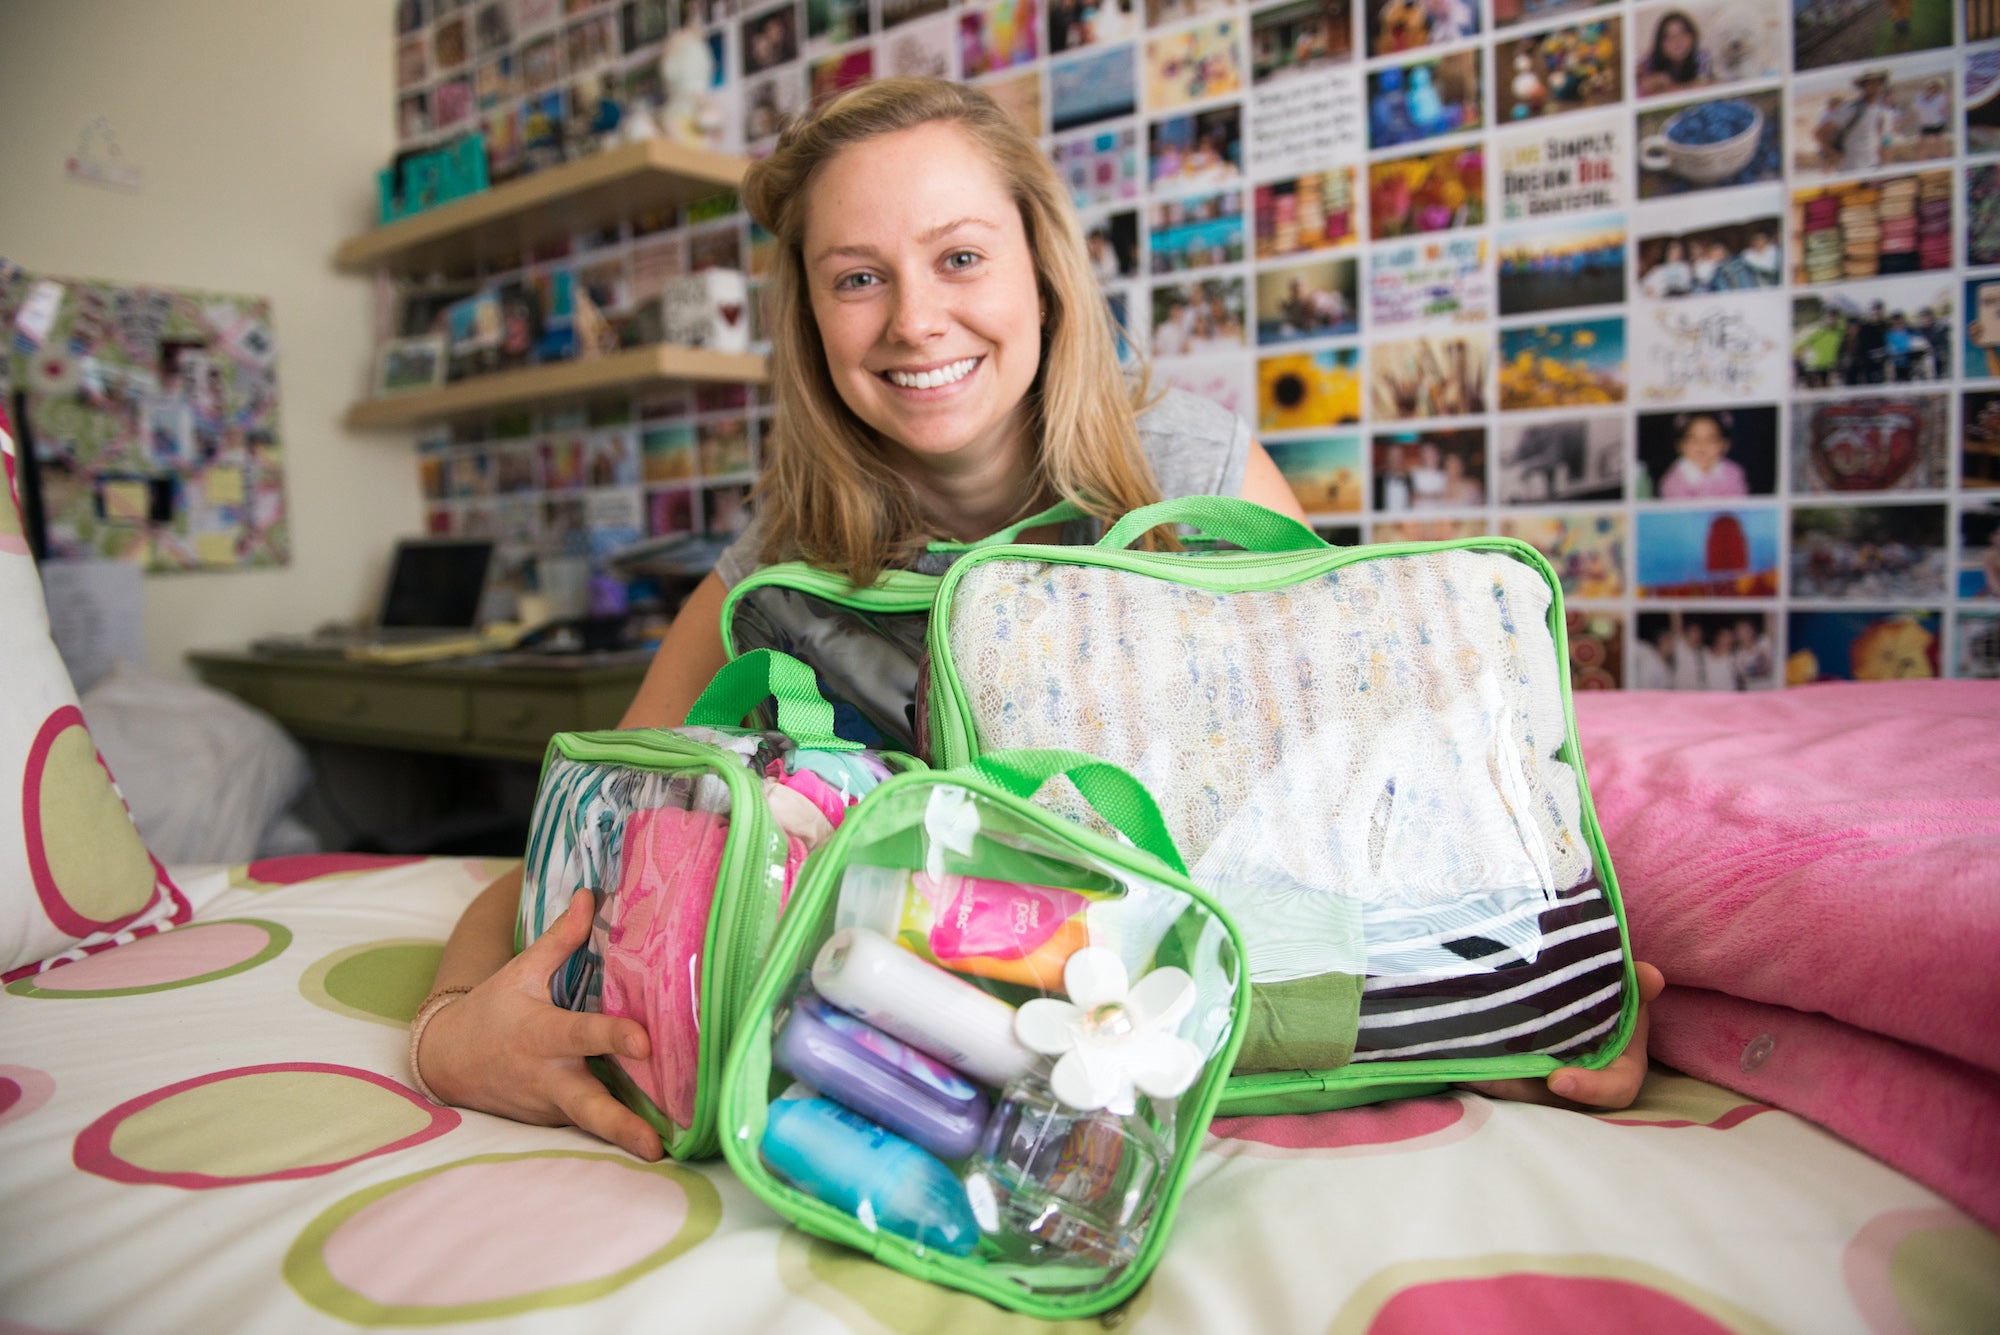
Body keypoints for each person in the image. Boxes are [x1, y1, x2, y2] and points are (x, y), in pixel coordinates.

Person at [414, 79, 1666, 1160]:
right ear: (809, 318)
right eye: (859, 279)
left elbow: (1367, 813)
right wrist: (455, 1027)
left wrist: (1515, 1004)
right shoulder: (767, 584)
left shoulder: (1194, 478)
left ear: (1039, 267)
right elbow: (569, 861)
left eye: (959, 257)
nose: (914, 320)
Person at [1659, 412, 1750, 499]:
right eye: (1693, 439)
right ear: (1681, 445)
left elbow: (1740, 505)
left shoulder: (1734, 473)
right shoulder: (1673, 481)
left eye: (1710, 439)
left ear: (1724, 445)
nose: (1702, 445)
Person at [1636, 10, 1709, 96]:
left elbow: (1701, 86)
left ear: (1692, 36)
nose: (1677, 41)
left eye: (1682, 33)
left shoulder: (1701, 57)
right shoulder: (1648, 62)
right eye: (1669, 37)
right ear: (1660, 44)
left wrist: (1668, 85)